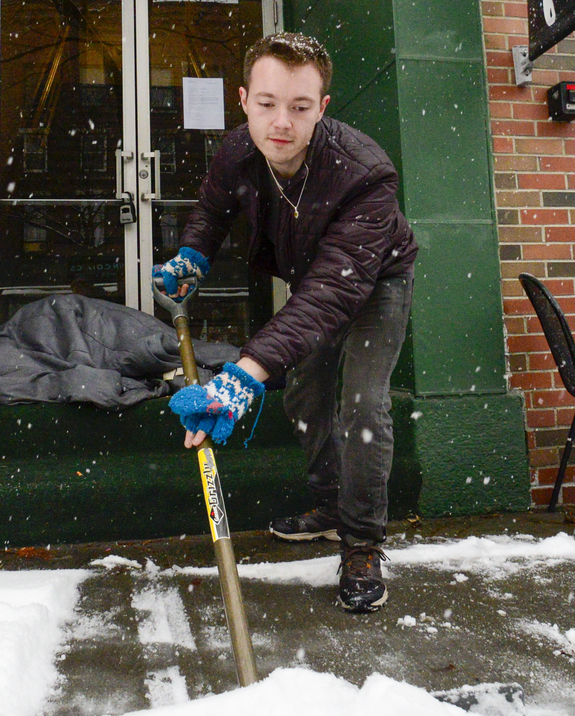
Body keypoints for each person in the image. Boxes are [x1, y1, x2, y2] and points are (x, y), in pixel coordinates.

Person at [158, 32, 416, 614]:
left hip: (376, 282)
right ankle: (330, 505)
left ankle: (362, 542)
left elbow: (331, 293)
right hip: (314, 284)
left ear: (321, 108)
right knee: (303, 392)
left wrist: (243, 375)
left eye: (299, 107)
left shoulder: (366, 173)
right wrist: (193, 255)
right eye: (268, 103)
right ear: (244, 100)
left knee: (362, 403)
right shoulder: (237, 151)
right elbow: (214, 209)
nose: (281, 122)